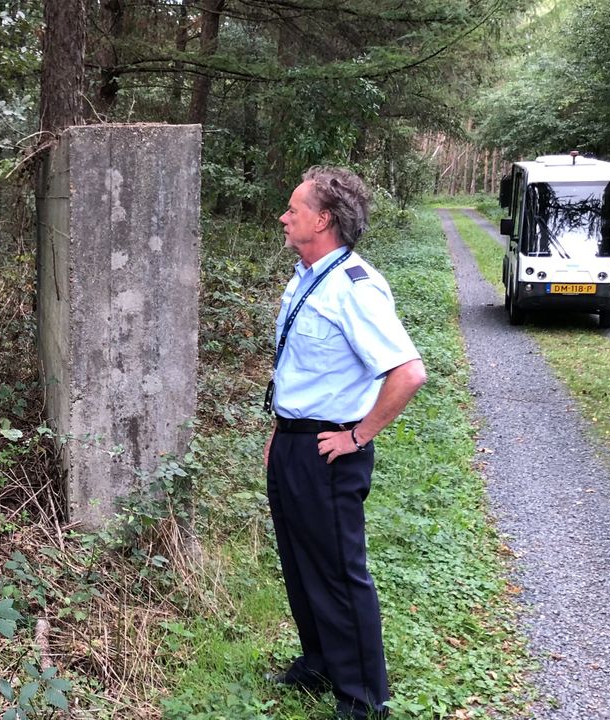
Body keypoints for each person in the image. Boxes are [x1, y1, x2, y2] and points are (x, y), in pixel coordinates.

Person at [262, 166, 427, 719]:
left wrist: (358, 436)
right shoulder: (307, 276)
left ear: (323, 219)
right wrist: (280, 433)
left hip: (330, 452)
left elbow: (407, 372)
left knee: (337, 570)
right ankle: (320, 662)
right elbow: (301, 369)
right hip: (292, 443)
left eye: (293, 209)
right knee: (298, 560)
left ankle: (363, 697)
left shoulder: (355, 286)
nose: (285, 217)